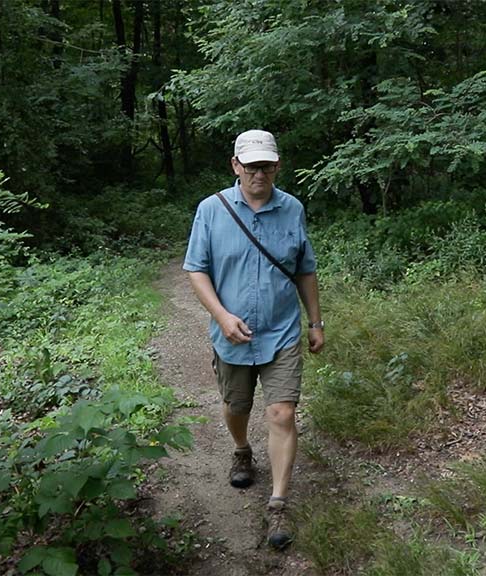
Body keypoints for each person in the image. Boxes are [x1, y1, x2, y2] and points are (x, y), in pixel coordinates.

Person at [182, 129, 324, 550]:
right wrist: (222, 316)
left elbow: (305, 268)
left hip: (281, 330)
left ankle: (278, 502)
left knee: (281, 413)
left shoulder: (292, 208)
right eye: (250, 165)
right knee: (235, 406)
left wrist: (315, 322)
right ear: (235, 165)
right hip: (233, 336)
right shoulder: (212, 209)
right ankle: (242, 448)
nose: (258, 172)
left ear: (277, 165)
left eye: (265, 165)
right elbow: (196, 269)